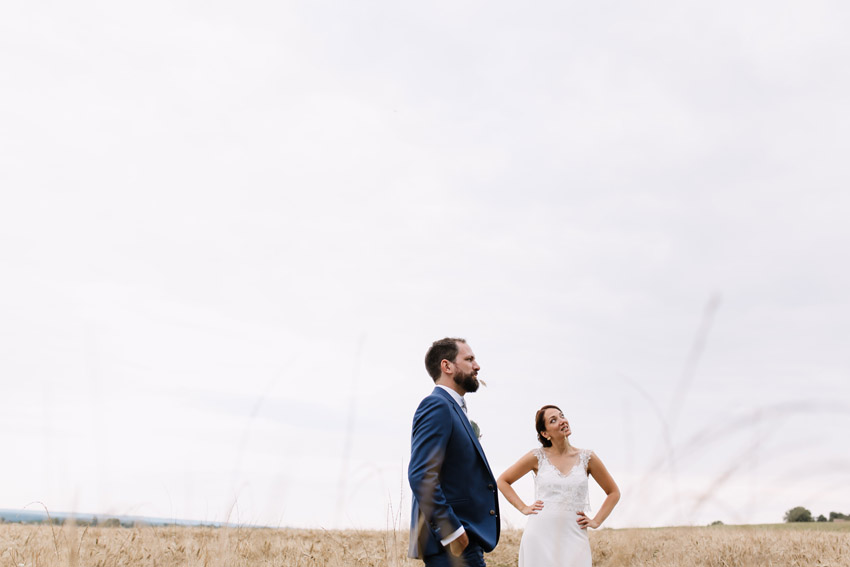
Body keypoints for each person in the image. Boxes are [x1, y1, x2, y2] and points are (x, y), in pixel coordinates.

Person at [408, 338, 501, 567]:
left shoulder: (453, 409)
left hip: (466, 544)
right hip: (452, 546)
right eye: (469, 359)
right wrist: (452, 532)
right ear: (447, 366)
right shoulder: (436, 405)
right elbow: (421, 474)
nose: (477, 366)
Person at [497, 405, 620, 567]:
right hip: (539, 536)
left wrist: (596, 521)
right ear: (545, 433)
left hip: (575, 535)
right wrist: (524, 507)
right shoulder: (537, 456)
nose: (562, 421)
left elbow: (613, 492)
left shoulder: (587, 457)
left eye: (562, 416)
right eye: (553, 420)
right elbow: (503, 481)